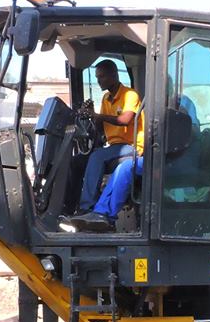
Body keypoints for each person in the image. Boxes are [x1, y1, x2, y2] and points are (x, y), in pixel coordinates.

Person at [65, 94, 198, 232]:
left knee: (127, 166)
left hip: (173, 161)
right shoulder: (151, 105)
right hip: (155, 156)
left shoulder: (182, 105)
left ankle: (105, 215)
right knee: (123, 166)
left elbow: (193, 131)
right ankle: (97, 212)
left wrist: (178, 122)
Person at [74, 60, 144, 213]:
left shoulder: (130, 95)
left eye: (102, 76)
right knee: (77, 161)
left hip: (132, 147)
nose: (99, 80)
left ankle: (87, 207)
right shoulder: (106, 98)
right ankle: (70, 205)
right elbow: (101, 129)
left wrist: (97, 115)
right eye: (97, 77)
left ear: (114, 75)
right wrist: (92, 114)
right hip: (114, 147)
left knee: (97, 157)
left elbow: (125, 120)